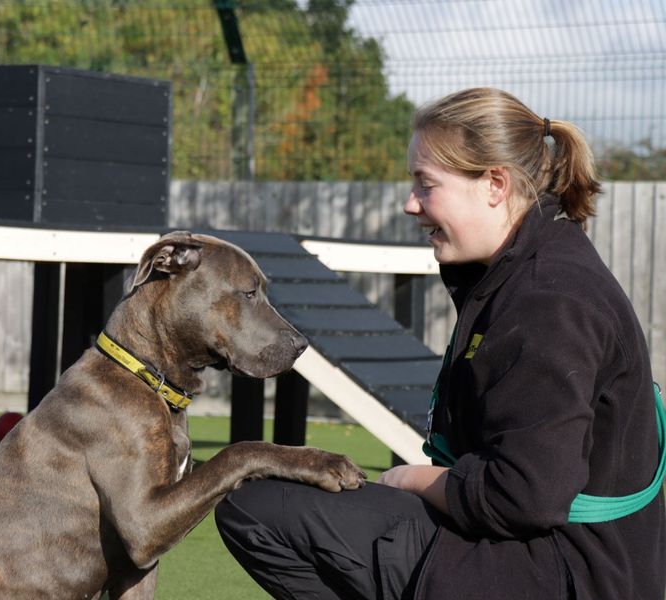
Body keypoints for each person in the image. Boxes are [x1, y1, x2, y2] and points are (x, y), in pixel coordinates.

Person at [214, 87, 666, 599]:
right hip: (576, 561)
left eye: (425, 184)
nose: (411, 204)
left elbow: (525, 498)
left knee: (255, 510)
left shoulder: (548, 300)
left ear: (495, 184)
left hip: (566, 573)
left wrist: (412, 480)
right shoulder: (530, 268)